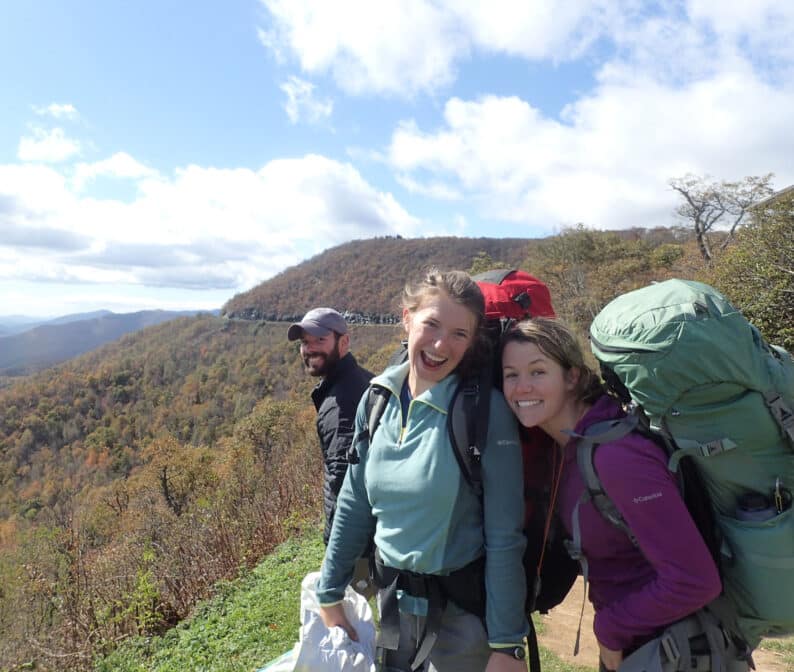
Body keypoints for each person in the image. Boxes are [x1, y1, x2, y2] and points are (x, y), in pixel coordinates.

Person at [315, 269, 529, 672]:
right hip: (392, 607)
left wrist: (506, 645)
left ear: (472, 341)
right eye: (430, 324)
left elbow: (504, 536)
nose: (439, 344)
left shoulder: (484, 414)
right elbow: (353, 503)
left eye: (458, 334)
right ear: (406, 318)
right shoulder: (377, 399)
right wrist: (329, 592)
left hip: (462, 622)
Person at [500, 317, 723, 672]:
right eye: (511, 375)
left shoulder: (616, 456)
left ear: (572, 376)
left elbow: (695, 580)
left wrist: (611, 628)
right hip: (645, 647)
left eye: (538, 372)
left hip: (676, 650)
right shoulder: (569, 446)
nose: (522, 387)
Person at [287, 307, 374, 595]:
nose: (309, 349)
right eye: (305, 342)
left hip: (360, 539)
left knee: (358, 605)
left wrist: (333, 545)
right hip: (371, 531)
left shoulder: (341, 404)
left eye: (319, 341)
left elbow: (342, 479)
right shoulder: (361, 380)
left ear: (344, 342)